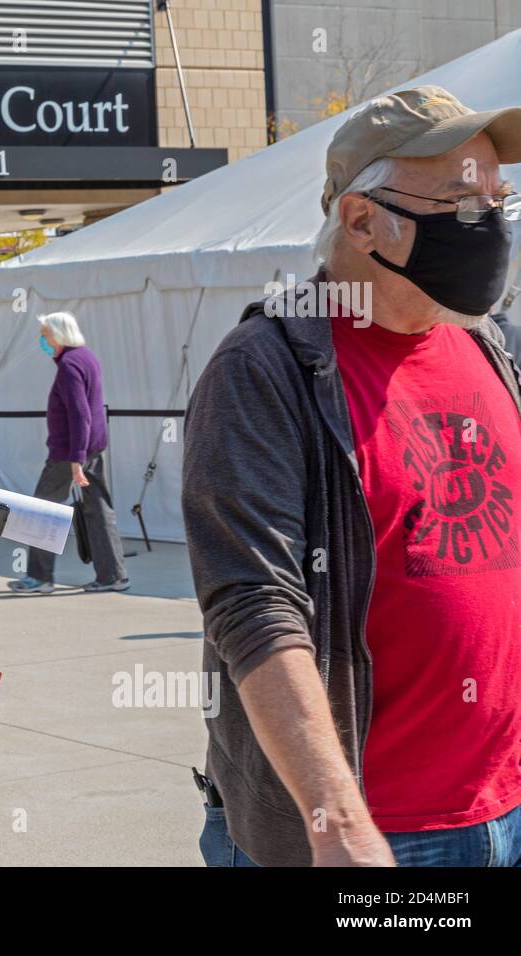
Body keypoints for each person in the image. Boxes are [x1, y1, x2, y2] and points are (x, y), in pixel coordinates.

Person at [183, 87, 521, 867]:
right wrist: (338, 821)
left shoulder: (487, 350)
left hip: (502, 807)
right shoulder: (266, 370)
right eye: (463, 200)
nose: (491, 222)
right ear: (363, 220)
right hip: (372, 834)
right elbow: (255, 605)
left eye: (498, 198)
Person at [9, 312, 128, 595]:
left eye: (45, 334)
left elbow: (79, 414)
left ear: (59, 335)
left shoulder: (69, 366)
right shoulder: (87, 357)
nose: (42, 340)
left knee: (43, 509)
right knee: (99, 509)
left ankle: (39, 577)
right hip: (91, 446)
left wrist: (76, 459)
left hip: (70, 452)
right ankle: (113, 574)